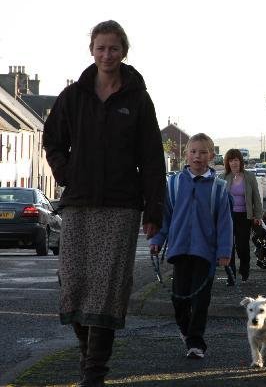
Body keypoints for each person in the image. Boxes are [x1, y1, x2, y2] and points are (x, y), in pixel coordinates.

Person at [42, 20, 165, 386]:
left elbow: (153, 160)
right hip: (77, 203)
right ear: (91, 51)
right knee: (74, 283)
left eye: (113, 48)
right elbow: (52, 140)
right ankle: (87, 353)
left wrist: (153, 209)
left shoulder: (138, 100)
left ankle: (94, 372)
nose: (107, 54)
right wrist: (65, 173)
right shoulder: (73, 97)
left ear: (124, 51)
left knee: (108, 287)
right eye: (100, 48)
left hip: (121, 206)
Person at [149, 133, 232, 359]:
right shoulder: (174, 183)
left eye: (203, 152)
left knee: (201, 299)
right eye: (193, 152)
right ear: (185, 155)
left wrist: (225, 252)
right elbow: (165, 217)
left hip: (206, 253)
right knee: (179, 298)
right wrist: (156, 241)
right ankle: (185, 331)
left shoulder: (219, 187)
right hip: (179, 250)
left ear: (211, 156)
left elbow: (225, 223)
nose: (198, 156)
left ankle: (196, 342)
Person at [220, 149, 263, 285]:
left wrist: (258, 216)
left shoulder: (249, 177)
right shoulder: (222, 178)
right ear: (227, 162)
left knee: (242, 246)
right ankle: (230, 276)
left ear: (240, 161)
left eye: (236, 160)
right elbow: (218, 199)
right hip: (228, 216)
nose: (234, 163)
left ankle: (244, 271)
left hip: (245, 216)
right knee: (229, 247)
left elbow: (256, 197)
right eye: (231, 160)